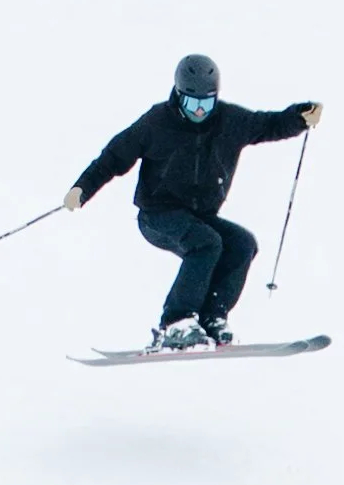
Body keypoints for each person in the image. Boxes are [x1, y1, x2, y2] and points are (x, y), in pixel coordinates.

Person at [64, 54, 322, 350]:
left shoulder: (230, 121)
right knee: (206, 243)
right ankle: (176, 323)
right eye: (192, 103)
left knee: (241, 244)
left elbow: (270, 124)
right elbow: (113, 157)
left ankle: (212, 318)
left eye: (207, 103)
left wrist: (299, 117)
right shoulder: (156, 122)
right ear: (178, 95)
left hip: (199, 216)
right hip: (157, 215)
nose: (200, 110)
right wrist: (81, 189)